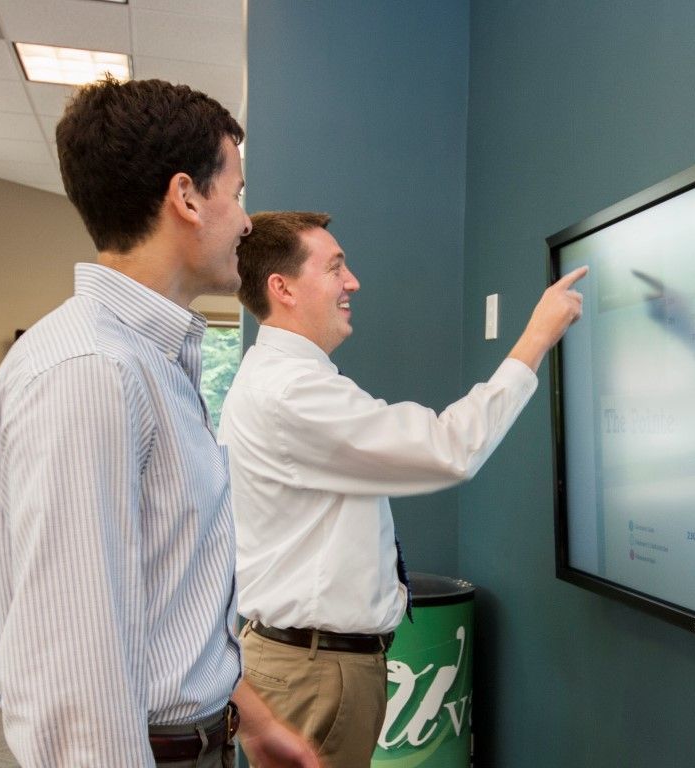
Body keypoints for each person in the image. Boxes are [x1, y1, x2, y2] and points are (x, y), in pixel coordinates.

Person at [0, 78, 320, 768]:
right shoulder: (93, 371)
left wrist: (250, 719)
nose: (248, 221)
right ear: (187, 196)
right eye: (237, 192)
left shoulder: (149, 361)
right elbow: (77, 671)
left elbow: (164, 599)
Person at [218, 211, 587, 765]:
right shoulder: (291, 392)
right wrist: (536, 339)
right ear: (283, 288)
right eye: (335, 268)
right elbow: (449, 448)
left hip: (305, 663)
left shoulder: (279, 378)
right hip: (316, 673)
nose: (352, 282)